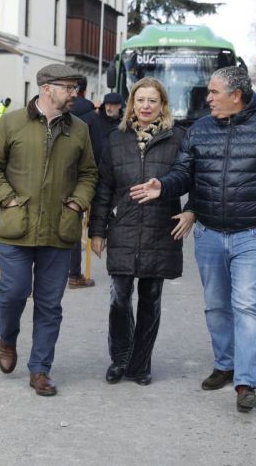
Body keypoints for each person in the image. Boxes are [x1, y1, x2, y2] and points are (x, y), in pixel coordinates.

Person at [130, 66, 256, 413]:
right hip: (210, 233)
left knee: (247, 305)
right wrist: (163, 185)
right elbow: (185, 173)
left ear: (236, 96)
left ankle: (245, 384)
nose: (207, 98)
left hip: (254, 234)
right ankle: (225, 365)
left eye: (214, 92)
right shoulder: (201, 129)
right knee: (216, 307)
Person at [0, 64, 98, 396]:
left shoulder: (79, 130)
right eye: (69, 88)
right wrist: (6, 199)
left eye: (75, 88)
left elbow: (89, 173)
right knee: (14, 292)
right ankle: (8, 336)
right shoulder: (12, 122)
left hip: (59, 230)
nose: (75, 94)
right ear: (47, 88)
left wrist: (77, 202)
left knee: (50, 304)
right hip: (16, 226)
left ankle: (40, 369)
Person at [89, 78, 192, 386]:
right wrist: (98, 230)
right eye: (141, 100)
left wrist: (191, 210)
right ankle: (119, 359)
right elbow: (104, 187)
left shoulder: (179, 139)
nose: (146, 106)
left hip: (161, 229)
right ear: (131, 104)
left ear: (163, 105)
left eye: (152, 101)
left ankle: (140, 363)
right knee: (119, 299)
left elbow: (193, 179)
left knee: (150, 299)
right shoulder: (115, 139)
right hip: (123, 227)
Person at [67, 78, 97, 288]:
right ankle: (74, 274)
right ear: (84, 91)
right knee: (74, 226)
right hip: (80, 180)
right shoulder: (91, 116)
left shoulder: (56, 112)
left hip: (57, 177)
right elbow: (98, 150)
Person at [88, 92, 124, 162]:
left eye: (112, 104)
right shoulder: (95, 121)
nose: (108, 108)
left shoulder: (123, 124)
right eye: (107, 104)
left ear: (119, 105)